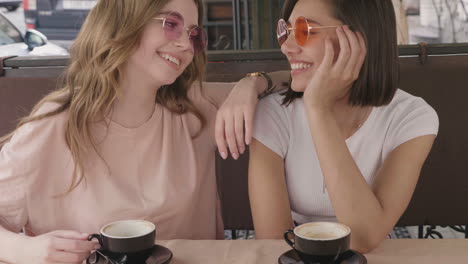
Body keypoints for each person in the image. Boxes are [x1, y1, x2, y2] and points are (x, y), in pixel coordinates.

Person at [0, 0, 285, 263]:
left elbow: (296, 80)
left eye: (194, 34)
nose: (187, 44)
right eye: (171, 24)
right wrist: (25, 249)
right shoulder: (53, 125)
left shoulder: (193, 108)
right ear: (123, 23)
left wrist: (253, 83)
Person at [248, 0, 439, 253]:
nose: (287, 47)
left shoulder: (412, 117)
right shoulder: (272, 115)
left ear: (359, 38)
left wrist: (318, 108)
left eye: (307, 31)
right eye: (286, 31)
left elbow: (364, 237)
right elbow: (275, 242)